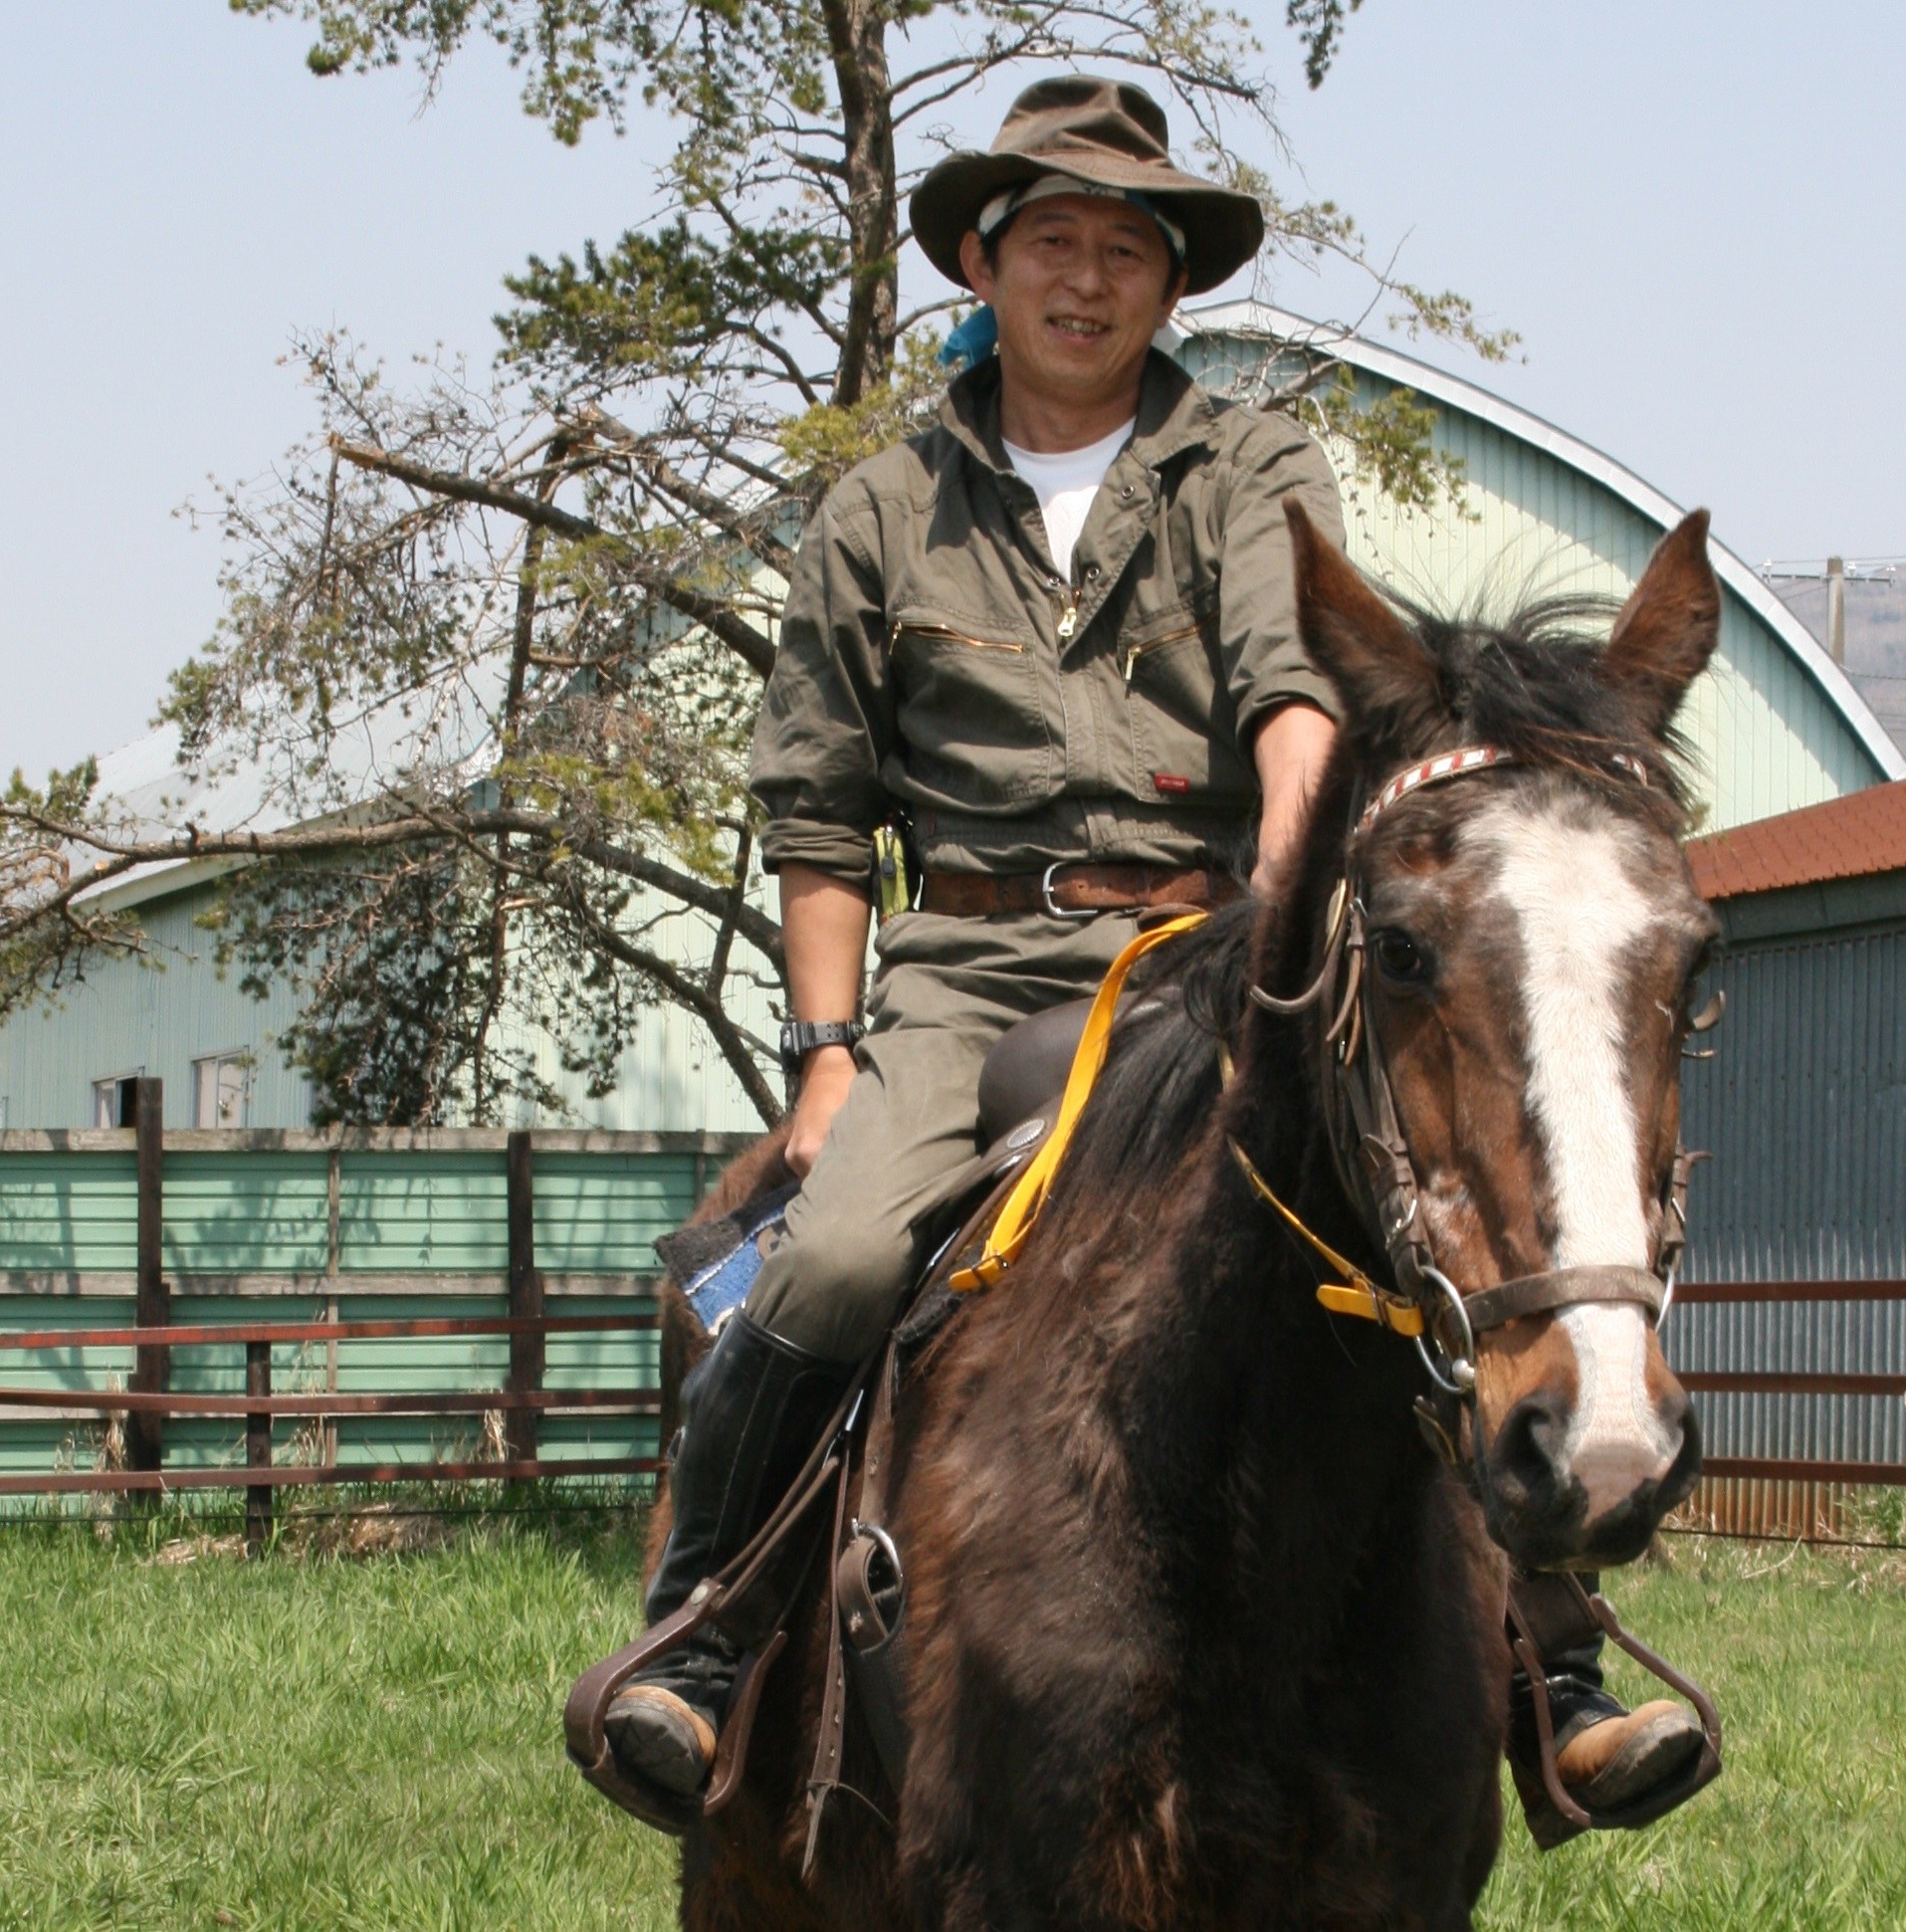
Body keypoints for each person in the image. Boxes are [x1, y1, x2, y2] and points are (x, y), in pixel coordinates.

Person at [594, 74, 1704, 1827]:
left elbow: (1291, 696)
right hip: (962, 971)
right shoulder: (879, 508)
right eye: (1053, 242)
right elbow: (815, 810)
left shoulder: (1251, 465)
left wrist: (1276, 925)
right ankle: (702, 1640)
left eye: (1127, 248)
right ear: (983, 258)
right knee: (819, 1268)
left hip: (1199, 947)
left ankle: (1552, 1671)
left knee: (1389, 1227)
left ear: (1168, 285)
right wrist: (823, 1063)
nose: (1088, 279)